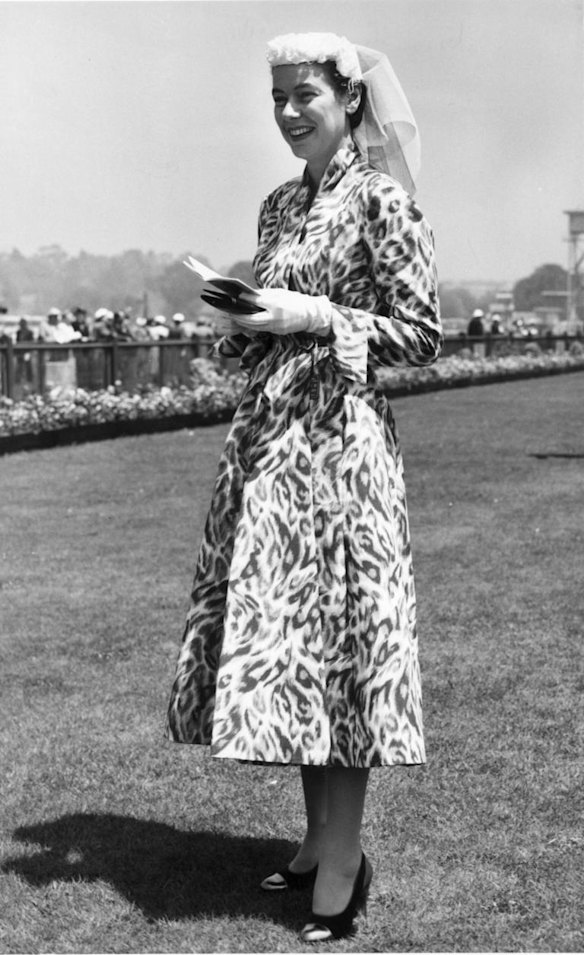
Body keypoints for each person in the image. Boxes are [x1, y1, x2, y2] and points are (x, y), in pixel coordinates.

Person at [166, 32, 442, 942]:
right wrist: (244, 318)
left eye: (304, 96)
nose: (288, 112)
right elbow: (275, 323)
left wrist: (312, 313)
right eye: (277, 97)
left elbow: (420, 333)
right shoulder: (279, 206)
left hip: (343, 449)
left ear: (350, 99)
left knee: (344, 645)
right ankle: (319, 839)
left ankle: (345, 857)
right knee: (294, 644)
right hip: (273, 447)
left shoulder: (384, 201)